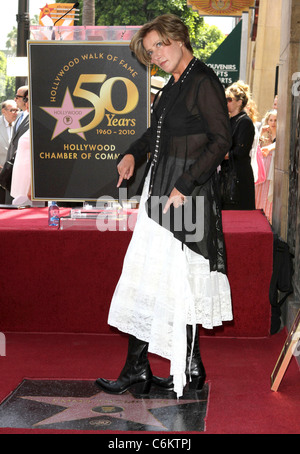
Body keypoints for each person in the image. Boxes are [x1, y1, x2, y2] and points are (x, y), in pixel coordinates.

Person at [96, 14, 233, 398]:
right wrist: (132, 155)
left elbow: (221, 140)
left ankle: (171, 367)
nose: (155, 54)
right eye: (149, 50)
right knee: (155, 278)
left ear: (179, 39)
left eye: (159, 45)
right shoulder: (173, 85)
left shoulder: (202, 80)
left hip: (184, 196)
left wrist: (185, 186)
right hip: (162, 193)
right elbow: (155, 133)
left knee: (172, 278)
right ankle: (160, 367)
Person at [220, 81, 255, 210]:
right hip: (226, 175)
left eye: (229, 99)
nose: (225, 102)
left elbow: (240, 152)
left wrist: (218, 155)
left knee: (239, 220)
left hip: (239, 178)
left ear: (239, 102)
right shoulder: (228, 121)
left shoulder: (245, 122)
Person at [5, 86, 29, 204]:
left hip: (25, 169)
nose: (15, 99)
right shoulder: (19, 116)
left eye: (18, 97)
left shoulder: (33, 118)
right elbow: (13, 143)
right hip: (12, 167)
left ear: (26, 99)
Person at [255, 109, 277, 223]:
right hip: (263, 171)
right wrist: (260, 134)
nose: (273, 122)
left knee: (270, 200)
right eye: (271, 120)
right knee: (259, 198)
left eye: (275, 120)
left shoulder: (281, 136)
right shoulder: (263, 135)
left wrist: (270, 147)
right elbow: (255, 148)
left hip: (272, 173)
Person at [10, 94, 31, 206]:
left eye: (28, 99)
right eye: (25, 99)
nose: (26, 102)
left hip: (29, 186)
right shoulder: (26, 118)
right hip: (20, 183)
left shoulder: (41, 123)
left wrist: (32, 187)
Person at [0, 100, 18, 203]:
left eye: (17, 110)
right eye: (12, 110)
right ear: (4, 111)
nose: (15, 113)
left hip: (14, 174)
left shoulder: (19, 124)